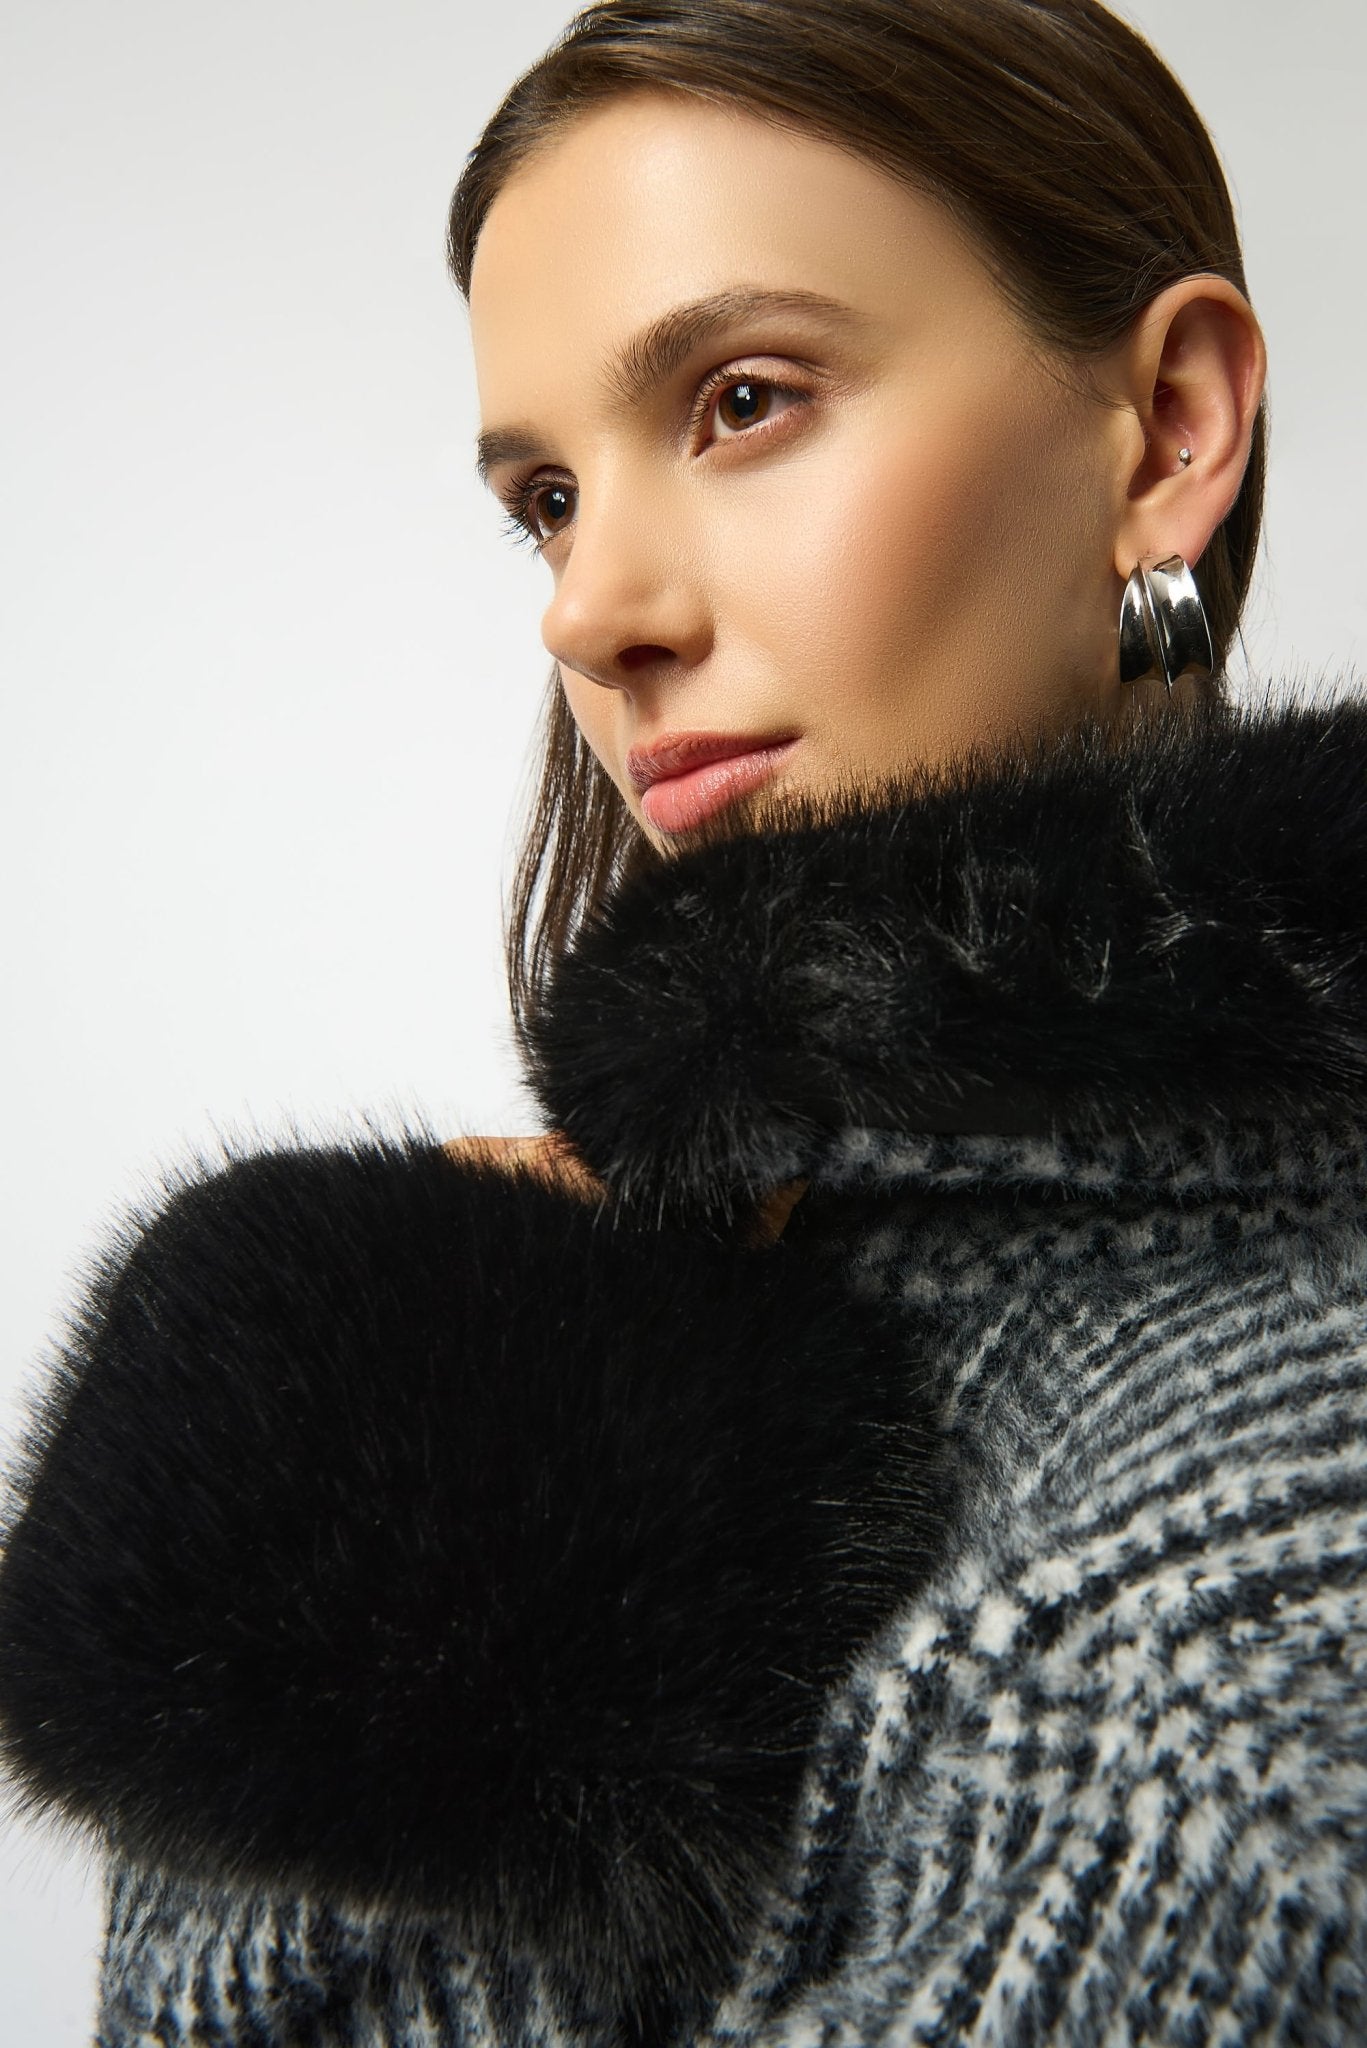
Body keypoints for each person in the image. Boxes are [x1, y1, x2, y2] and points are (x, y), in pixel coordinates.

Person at [1, 1, 1365, 2042]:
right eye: (547, 496)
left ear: (1169, 428)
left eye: (743, 400)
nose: (588, 606)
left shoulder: (1243, 1580)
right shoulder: (672, 1299)